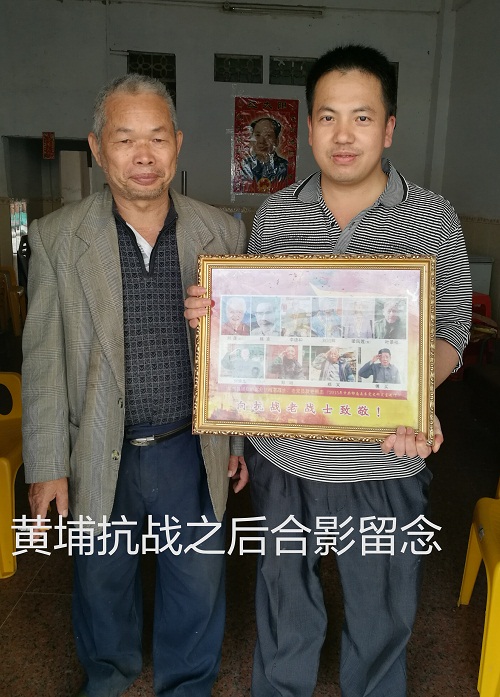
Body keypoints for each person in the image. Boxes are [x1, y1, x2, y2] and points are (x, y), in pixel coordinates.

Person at [186, 43, 470, 697]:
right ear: (308, 129)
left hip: (385, 459)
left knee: (381, 615)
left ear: (388, 127)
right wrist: (216, 316)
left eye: (361, 117)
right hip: (286, 458)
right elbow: (258, 328)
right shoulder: (276, 214)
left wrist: (411, 393)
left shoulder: (432, 217)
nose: (344, 135)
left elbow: (452, 329)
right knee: (284, 607)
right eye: (328, 117)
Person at [22, 74, 249, 697]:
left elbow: (238, 352)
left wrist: (234, 442)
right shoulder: (58, 239)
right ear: (99, 149)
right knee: (102, 580)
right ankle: (109, 675)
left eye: (157, 138)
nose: (143, 155)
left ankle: (188, 682)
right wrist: (47, 466)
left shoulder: (222, 233)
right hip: (100, 445)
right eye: (125, 140)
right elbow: (42, 363)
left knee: (197, 581)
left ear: (178, 143)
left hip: (188, 444)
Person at [241, 117, 289, 190]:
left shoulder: (285, 167)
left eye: (268, 135)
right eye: (257, 135)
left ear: (277, 141)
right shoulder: (244, 166)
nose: (261, 141)